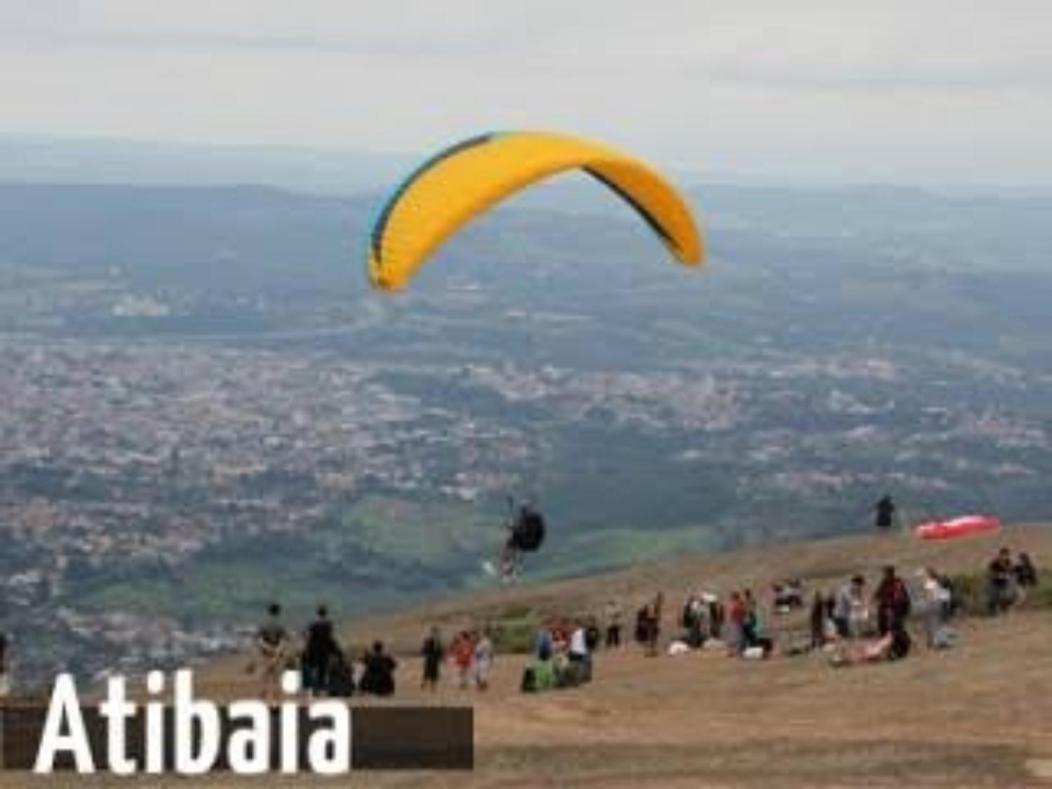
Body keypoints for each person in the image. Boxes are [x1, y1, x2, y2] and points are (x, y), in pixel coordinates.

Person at [302, 605, 340, 698]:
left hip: (314, 650)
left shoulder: (313, 624)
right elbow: (330, 638)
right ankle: (322, 690)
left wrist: (306, 649)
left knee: (314, 670)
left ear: (317, 613)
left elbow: (307, 637)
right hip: (325, 651)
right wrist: (336, 650)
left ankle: (314, 690)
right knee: (323, 671)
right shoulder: (329, 624)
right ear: (325, 613)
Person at [256, 603, 290, 705]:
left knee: (265, 676)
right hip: (278, 655)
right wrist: (277, 650)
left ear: (268, 611)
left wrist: (268, 648)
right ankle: (276, 699)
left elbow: (259, 640)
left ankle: (264, 698)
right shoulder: (281, 625)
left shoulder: (263, 624)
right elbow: (284, 640)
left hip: (265, 654)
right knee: (276, 677)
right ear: (278, 612)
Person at [919, 567, 954, 649]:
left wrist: (926, 604)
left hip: (931, 605)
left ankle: (933, 642)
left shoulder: (929, 583)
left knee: (930, 625)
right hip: (938, 604)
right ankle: (939, 642)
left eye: (924, 575)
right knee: (937, 624)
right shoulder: (936, 582)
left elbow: (929, 595)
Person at [873, 566, 910, 636]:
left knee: (894, 624)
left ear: (891, 573)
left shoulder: (898, 582)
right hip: (886, 606)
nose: (885, 575)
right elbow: (877, 593)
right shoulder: (884, 582)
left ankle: (895, 637)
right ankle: (884, 635)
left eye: (886, 574)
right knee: (882, 622)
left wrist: (893, 605)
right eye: (884, 574)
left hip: (896, 607)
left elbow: (900, 596)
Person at [987, 547, 1016, 615]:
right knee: (994, 597)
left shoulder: (1009, 562)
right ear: (1000, 554)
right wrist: (997, 575)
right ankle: (992, 612)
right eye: (1002, 555)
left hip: (1005, 582)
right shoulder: (995, 563)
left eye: (1005, 555)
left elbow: (1012, 572)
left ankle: (1005, 609)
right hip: (995, 582)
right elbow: (990, 572)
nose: (1004, 557)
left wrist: (1007, 575)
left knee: (1007, 597)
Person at [421, 627, 444, 691]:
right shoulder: (429, 640)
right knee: (427, 672)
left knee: (433, 673)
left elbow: (440, 650)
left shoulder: (437, 641)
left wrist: (440, 657)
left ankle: (432, 687)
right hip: (430, 658)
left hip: (433, 659)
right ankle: (425, 684)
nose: (434, 634)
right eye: (434, 632)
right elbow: (424, 650)